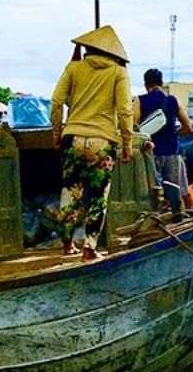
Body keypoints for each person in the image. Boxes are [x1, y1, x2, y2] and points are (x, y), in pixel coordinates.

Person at [50, 25, 133, 262]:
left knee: (71, 192)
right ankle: (89, 248)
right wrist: (126, 144)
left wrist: (57, 134)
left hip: (73, 137)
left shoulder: (73, 68)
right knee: (97, 196)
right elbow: (125, 111)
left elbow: (56, 103)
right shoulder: (118, 72)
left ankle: (67, 245)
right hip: (103, 142)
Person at [134, 68, 193, 221]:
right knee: (175, 189)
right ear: (161, 83)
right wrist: (174, 133)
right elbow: (188, 127)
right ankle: (178, 218)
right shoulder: (173, 100)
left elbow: (133, 127)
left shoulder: (140, 100)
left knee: (152, 191)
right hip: (172, 152)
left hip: (150, 153)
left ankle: (155, 221)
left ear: (146, 85)